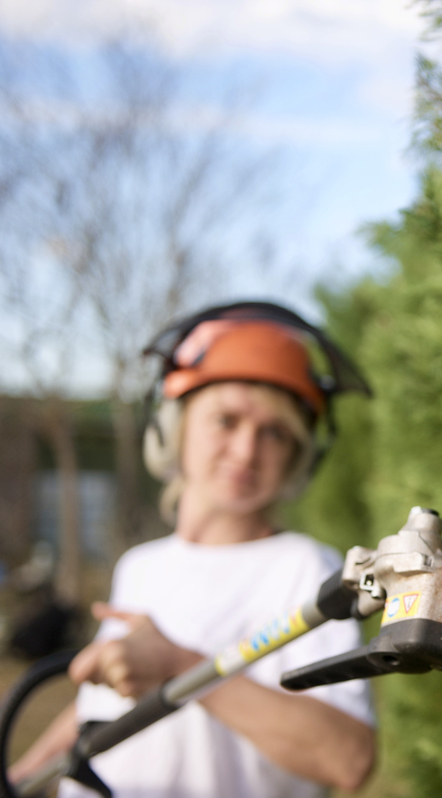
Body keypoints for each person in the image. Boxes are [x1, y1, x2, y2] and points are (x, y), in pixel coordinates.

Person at [9, 302, 377, 797]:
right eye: (226, 420)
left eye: (275, 432)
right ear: (173, 428)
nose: (247, 451)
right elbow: (104, 711)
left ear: (298, 456)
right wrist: (18, 777)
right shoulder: (141, 567)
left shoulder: (305, 568)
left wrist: (180, 666)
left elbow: (347, 758)